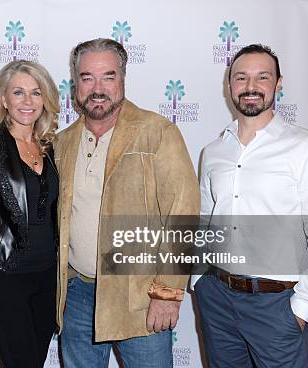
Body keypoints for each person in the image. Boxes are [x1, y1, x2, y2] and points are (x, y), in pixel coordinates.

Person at [193, 44, 308, 368]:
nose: (250, 87)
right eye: (241, 77)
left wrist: (302, 309)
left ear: (278, 83)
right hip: (217, 299)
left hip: (277, 306)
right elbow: (205, 220)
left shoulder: (307, 148)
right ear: (229, 85)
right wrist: (199, 280)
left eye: (262, 77)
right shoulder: (214, 151)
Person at [55, 38, 200, 368]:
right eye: (87, 77)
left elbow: (183, 215)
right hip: (77, 295)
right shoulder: (63, 142)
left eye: (108, 76)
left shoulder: (157, 132)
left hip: (140, 293)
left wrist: (167, 293)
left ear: (123, 79)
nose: (97, 88)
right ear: (75, 83)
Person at [0, 60, 59, 368]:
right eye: (18, 92)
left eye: (35, 92)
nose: (28, 101)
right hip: (7, 278)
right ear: (4, 99)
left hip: (49, 278)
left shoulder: (52, 147)